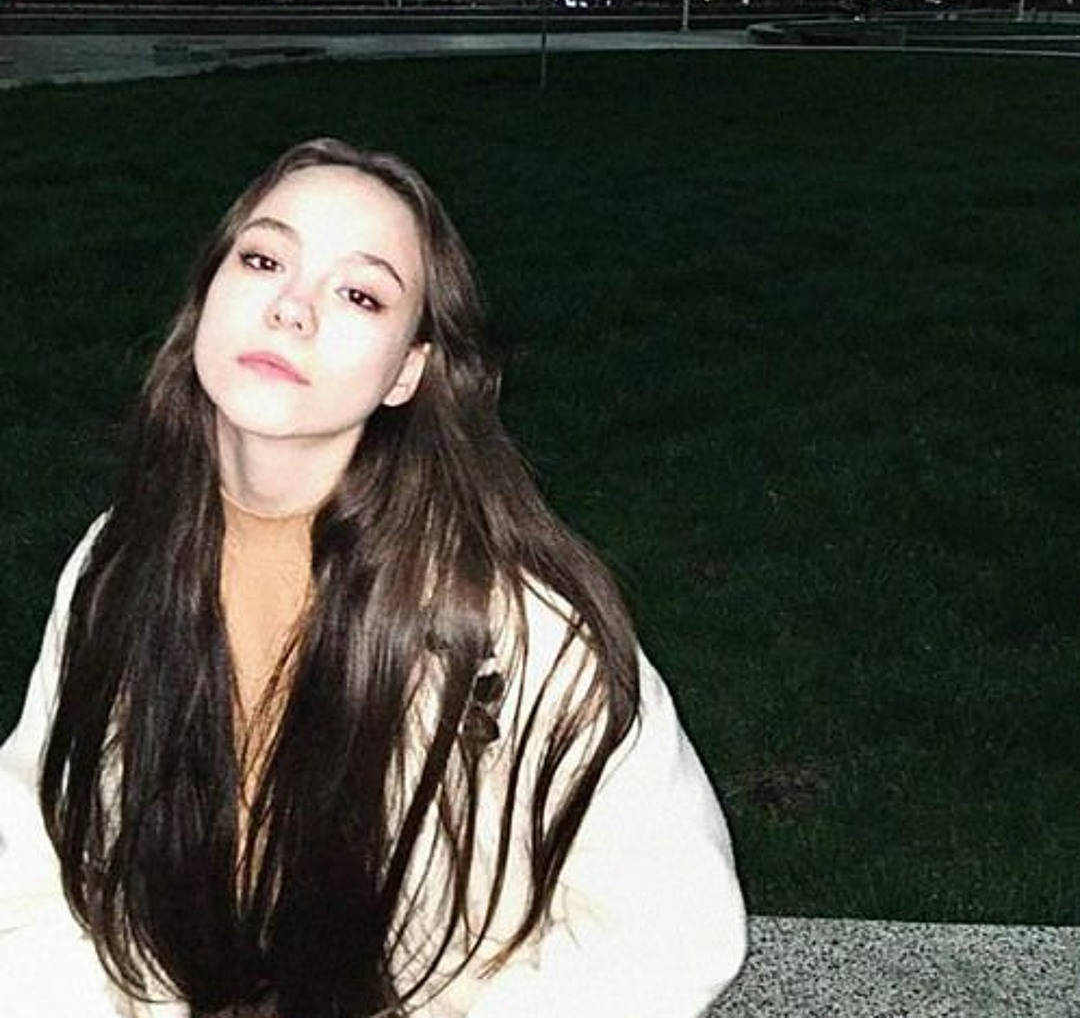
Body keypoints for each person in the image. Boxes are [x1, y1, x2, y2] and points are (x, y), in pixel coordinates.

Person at [0, 138, 745, 1018]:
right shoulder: (120, 560)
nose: (291, 309)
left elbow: (674, 923)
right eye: (264, 259)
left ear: (407, 372)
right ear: (205, 295)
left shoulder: (509, 620)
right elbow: (32, 847)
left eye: (359, 294)